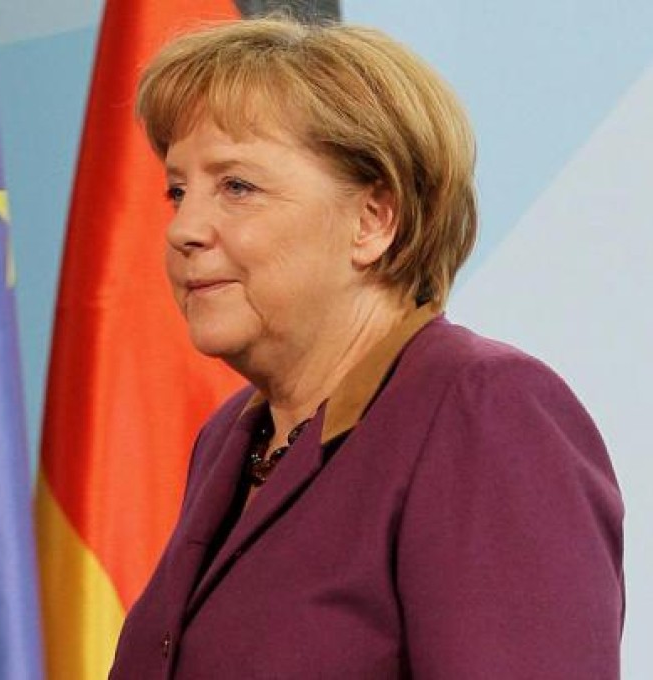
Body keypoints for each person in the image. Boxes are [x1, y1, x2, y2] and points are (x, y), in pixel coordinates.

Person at [108, 16, 624, 679]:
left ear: (374, 221)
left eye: (237, 187)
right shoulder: (228, 440)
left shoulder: (484, 409)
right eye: (178, 191)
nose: (184, 228)